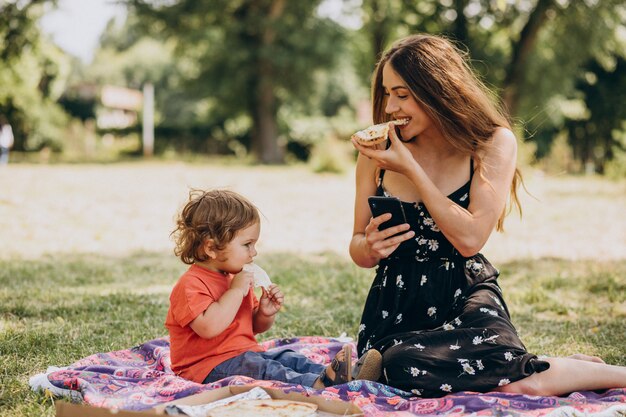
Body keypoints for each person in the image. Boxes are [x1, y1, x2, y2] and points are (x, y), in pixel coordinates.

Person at [349, 34, 626, 398]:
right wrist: (369, 246)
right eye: (387, 93)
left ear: (436, 89)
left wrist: (413, 170)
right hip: (397, 303)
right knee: (401, 366)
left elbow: (470, 239)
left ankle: (610, 374)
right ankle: (557, 369)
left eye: (402, 94)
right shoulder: (375, 153)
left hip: (464, 293)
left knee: (441, 372)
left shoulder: (491, 144)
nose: (390, 107)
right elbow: (356, 248)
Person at [166, 189, 382, 388]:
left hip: (244, 355)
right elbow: (209, 328)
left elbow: (251, 327)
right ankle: (318, 384)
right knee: (266, 370)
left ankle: (342, 375)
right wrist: (236, 291)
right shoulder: (191, 285)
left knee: (287, 357)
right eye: (247, 245)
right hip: (206, 367)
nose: (254, 253)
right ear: (211, 247)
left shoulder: (236, 278)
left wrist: (264, 313)